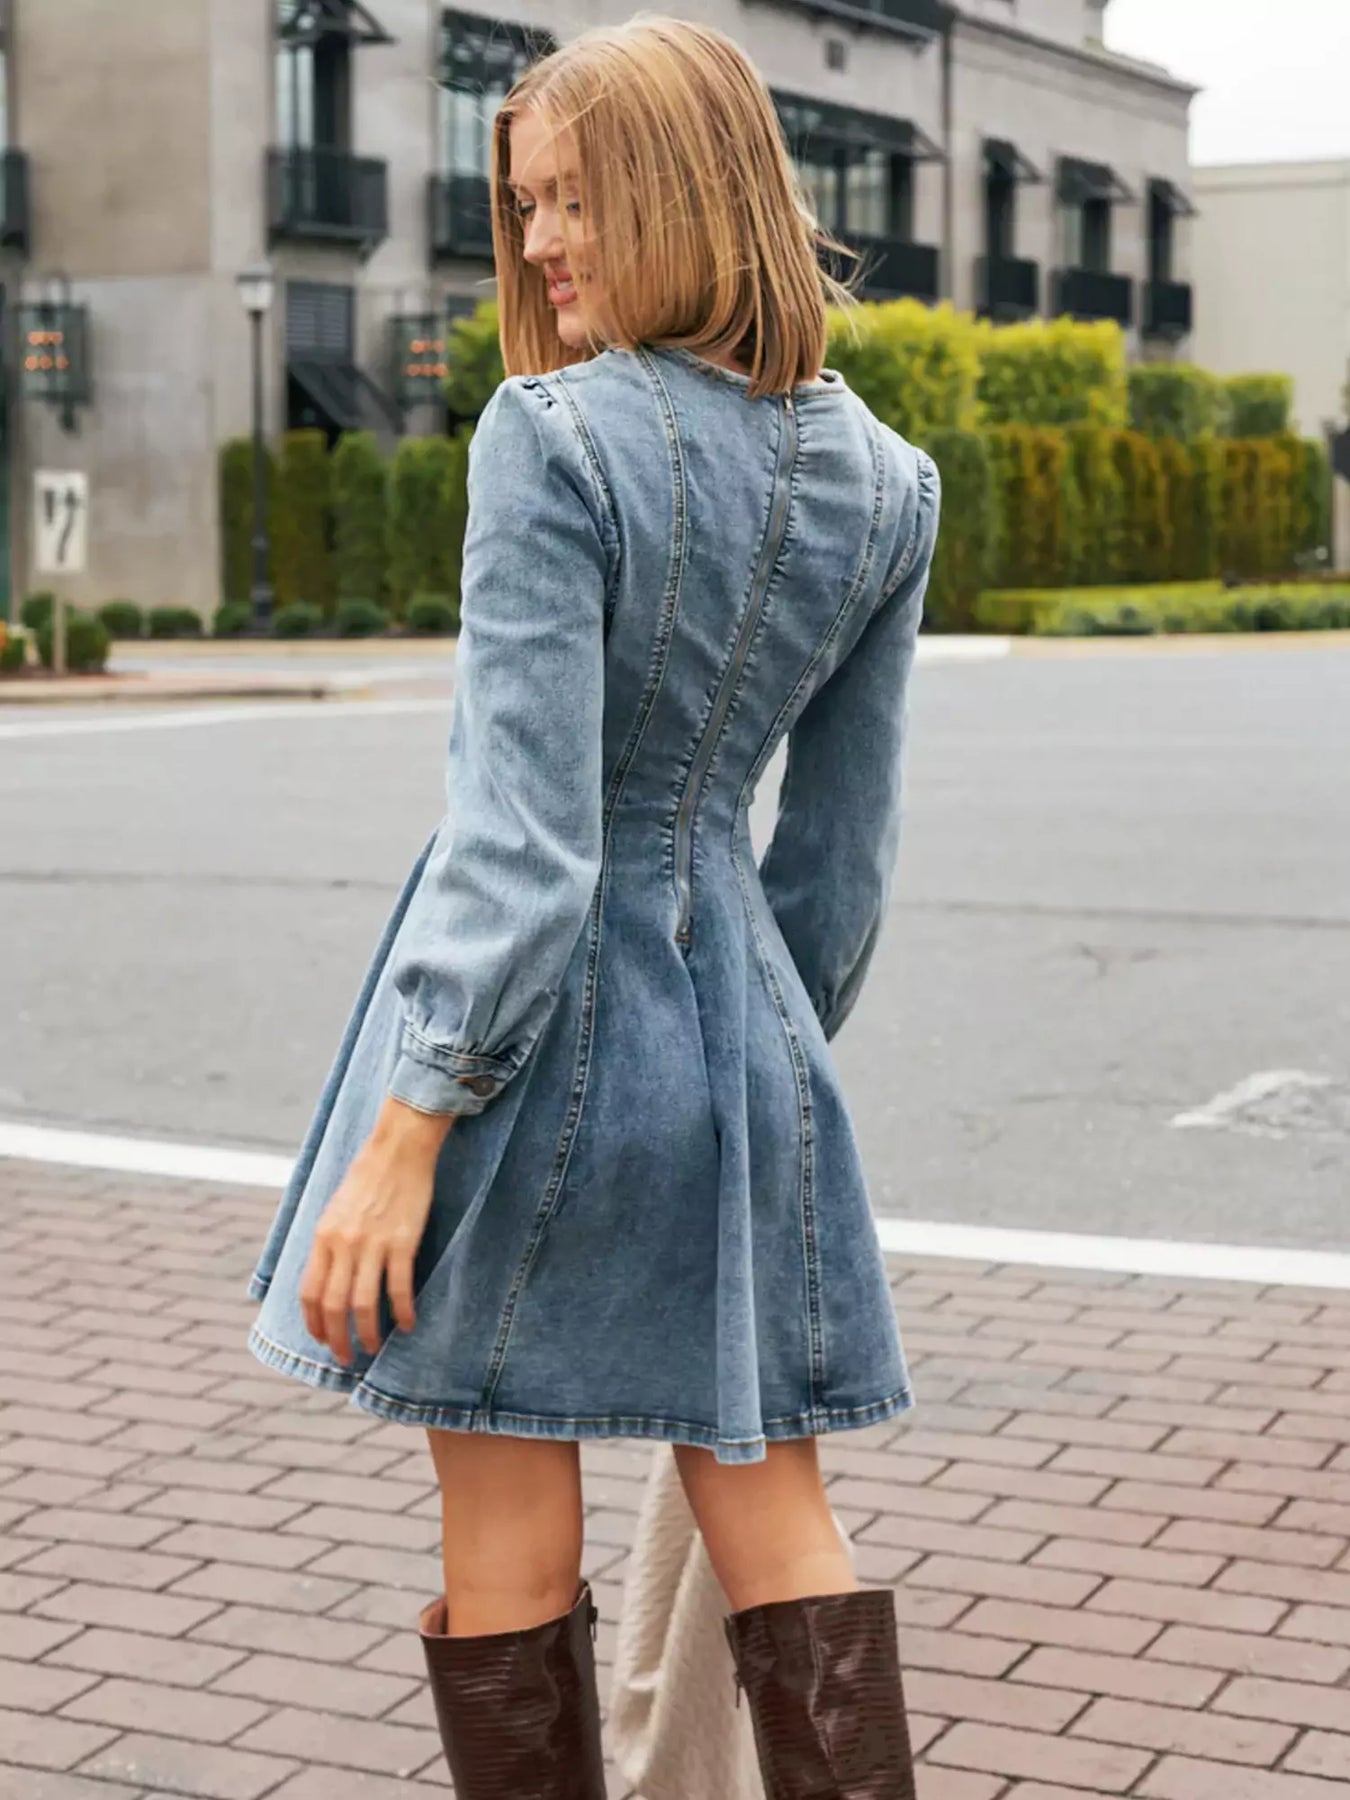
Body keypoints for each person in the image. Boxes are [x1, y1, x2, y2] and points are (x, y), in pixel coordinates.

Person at [246, 15, 939, 1798]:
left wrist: (408, 1129)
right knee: (781, 1521)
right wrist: (749, 1066)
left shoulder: (549, 434)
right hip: (741, 1045)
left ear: (690, 193)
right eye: (526, 204)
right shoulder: (888, 480)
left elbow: (523, 840)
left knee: (504, 1537)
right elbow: (837, 868)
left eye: (575, 199)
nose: (542, 242)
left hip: (530, 1052)